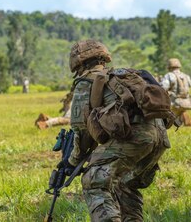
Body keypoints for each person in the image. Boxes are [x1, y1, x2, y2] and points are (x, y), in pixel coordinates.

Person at [65, 39, 171, 222]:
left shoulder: (86, 82)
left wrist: (72, 161)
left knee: (94, 180)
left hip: (134, 137)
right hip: (160, 138)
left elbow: (82, 132)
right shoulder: (123, 76)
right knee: (125, 184)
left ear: (78, 63)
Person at [161, 58, 191, 126]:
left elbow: (163, 88)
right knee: (180, 112)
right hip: (187, 102)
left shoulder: (169, 75)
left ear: (169, 66)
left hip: (173, 103)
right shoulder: (186, 76)